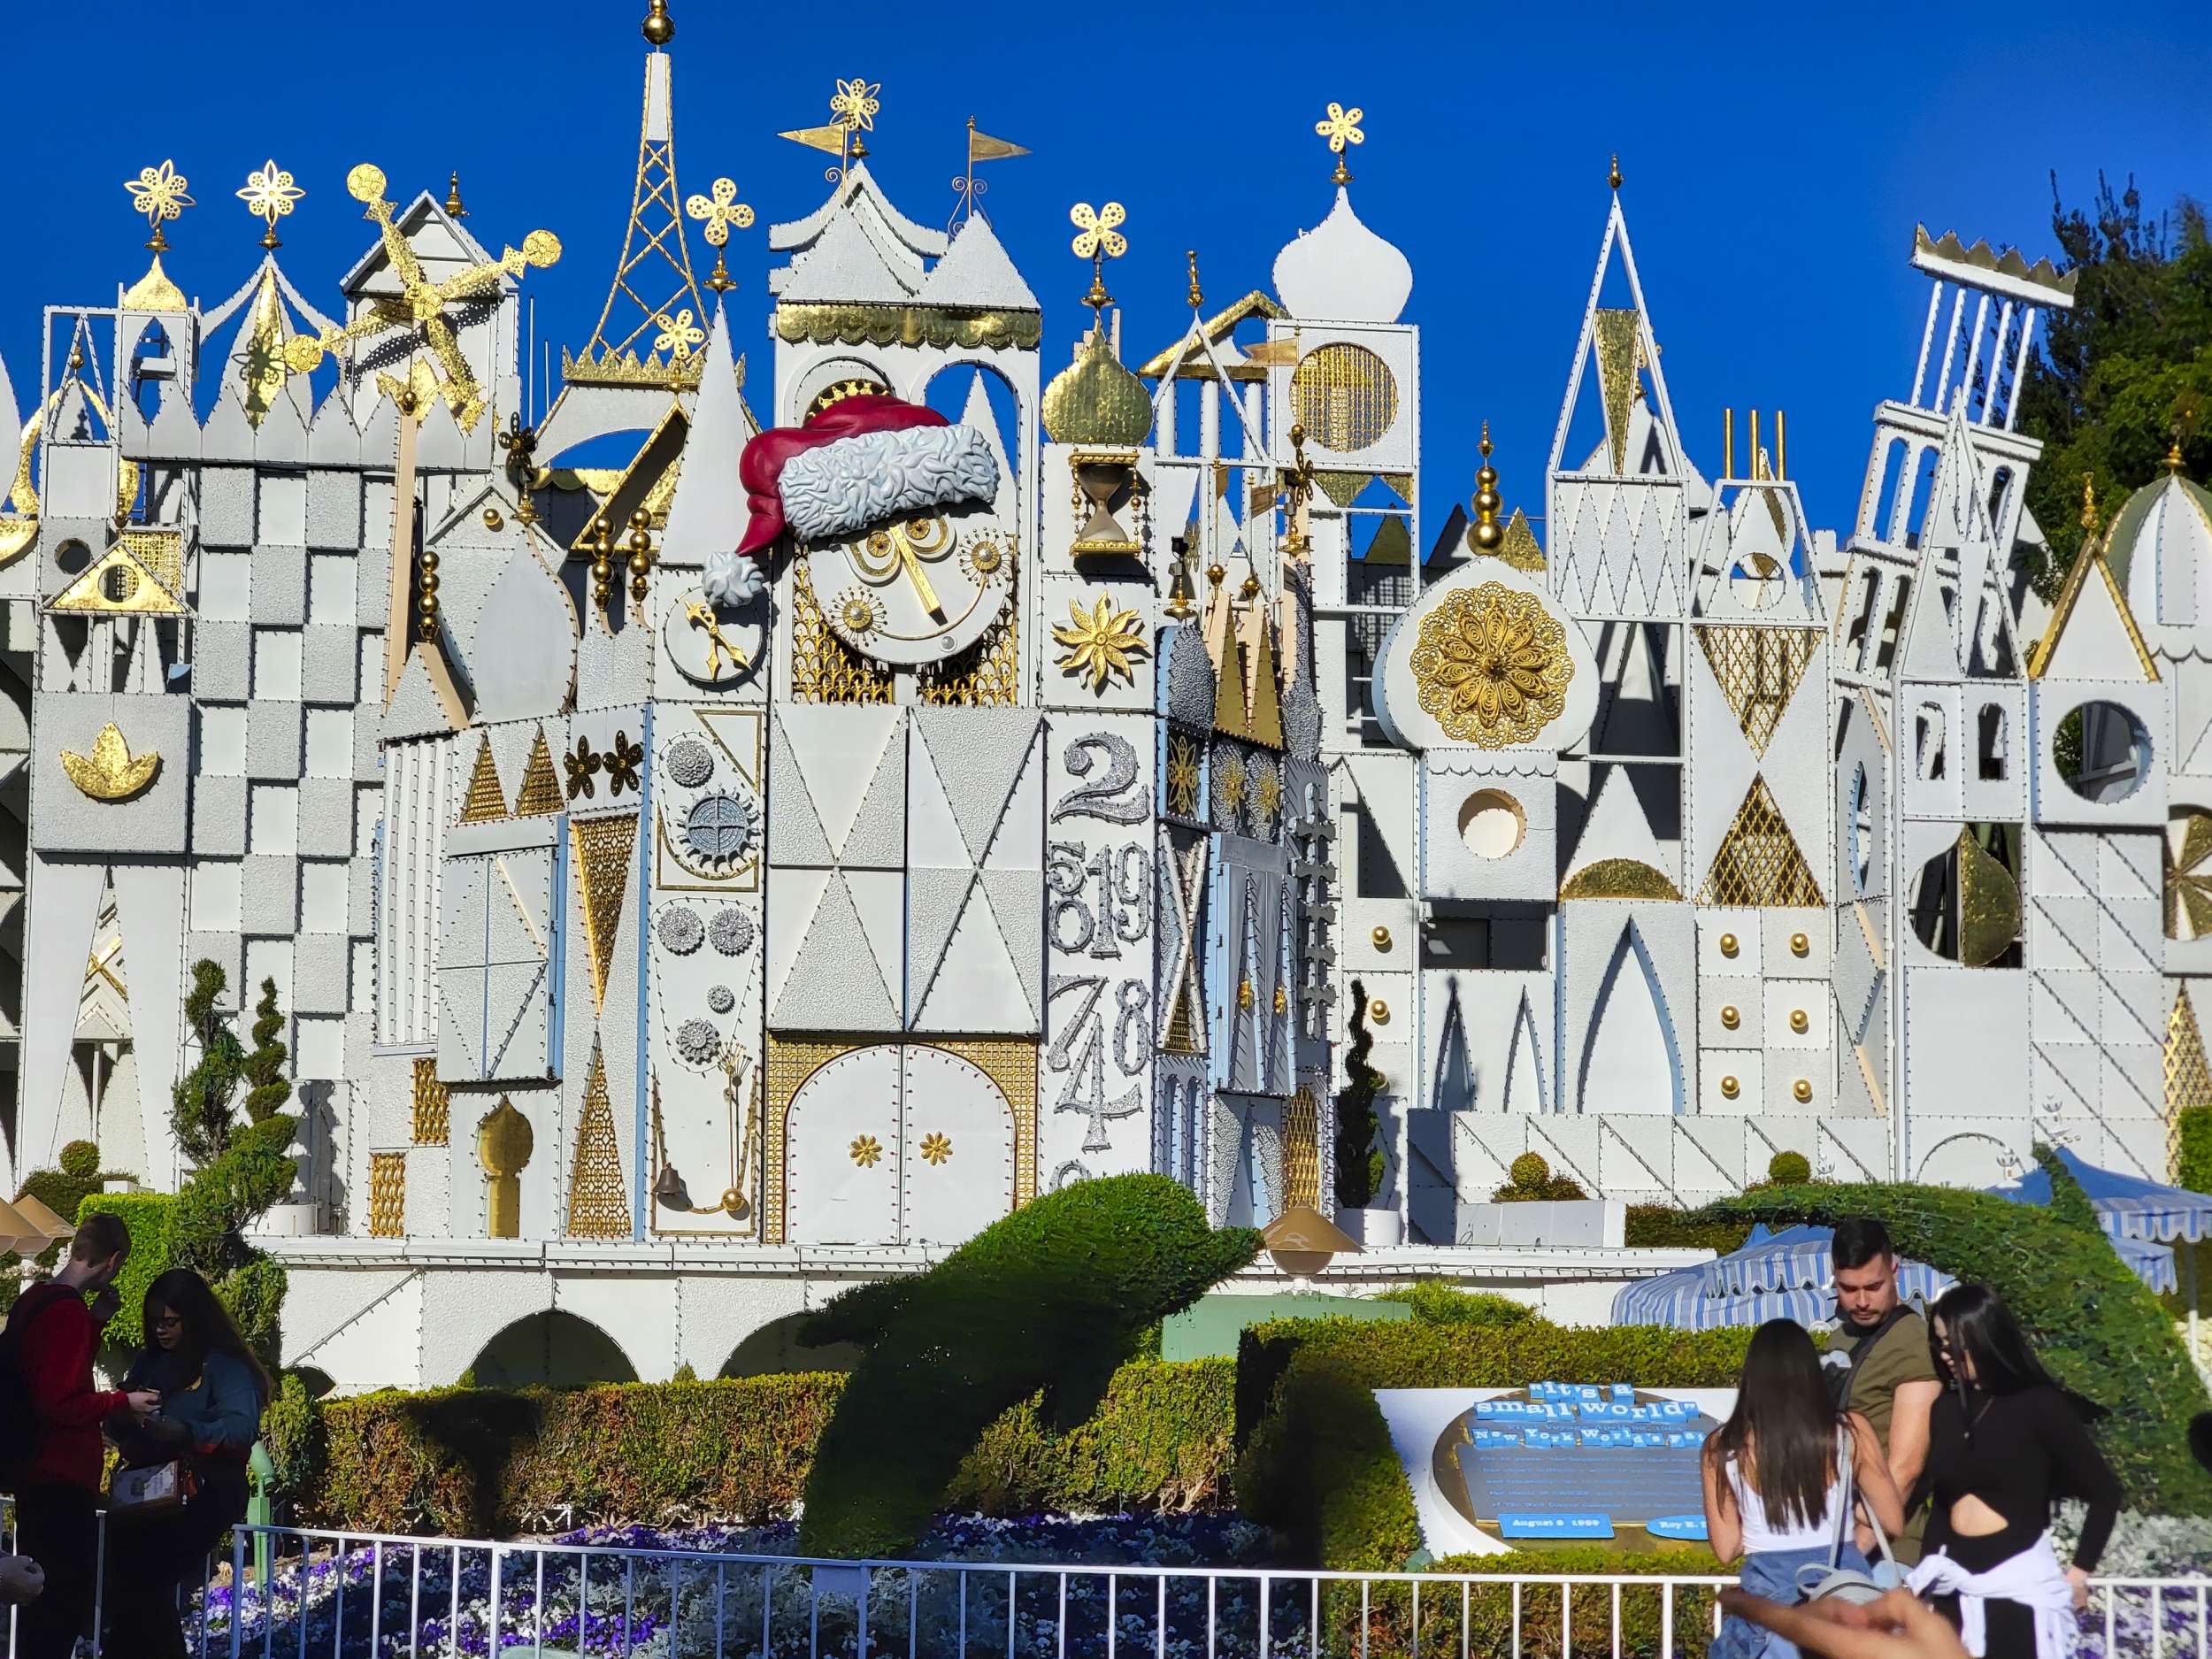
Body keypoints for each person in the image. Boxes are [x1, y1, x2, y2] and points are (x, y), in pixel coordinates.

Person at [1908, 1283, 2122, 1659]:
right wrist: (1927, 1582)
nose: (1946, 1355)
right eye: (1940, 1344)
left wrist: (2079, 1571)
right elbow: (1941, 1505)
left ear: (1984, 1338)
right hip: (1953, 1590)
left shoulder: (2039, 1406)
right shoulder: (1943, 1410)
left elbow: (2105, 1490)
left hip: (2018, 1586)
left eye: (1955, 1344)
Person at [1, 1210, 158, 1659]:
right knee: (58, 1606)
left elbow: (49, 1373)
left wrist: (96, 1321)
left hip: (33, 1469)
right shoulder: (66, 1313)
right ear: (112, 1262)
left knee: (39, 1600)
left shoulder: (37, 1301)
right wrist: (120, 1401)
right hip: (60, 1479)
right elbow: (61, 1402)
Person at [1704, 1319, 1907, 1659]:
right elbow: (1892, 1521)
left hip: (1771, 1615)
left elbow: (1726, 1548)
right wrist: (1852, 1510)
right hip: (1846, 1606)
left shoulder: (1723, 1447)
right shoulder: (1849, 1432)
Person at [104, 1267, 272, 1659]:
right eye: (154, 1323)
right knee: (132, 1590)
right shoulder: (149, 1361)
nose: (161, 1331)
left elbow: (240, 1429)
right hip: (147, 1491)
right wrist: (122, 1414)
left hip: (202, 1491)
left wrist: (184, 1431)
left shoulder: (226, 1366)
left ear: (193, 1318)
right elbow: (121, 1414)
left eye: (171, 1322)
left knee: (146, 1585)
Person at [1827, 1217, 1942, 1564]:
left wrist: (1846, 1560)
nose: (1861, 1301)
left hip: (1888, 1555)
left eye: (1873, 1286)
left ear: (1895, 1269)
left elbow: (1904, 1469)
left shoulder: (1913, 1343)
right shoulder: (1840, 1338)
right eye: (1848, 1289)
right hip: (1838, 1536)